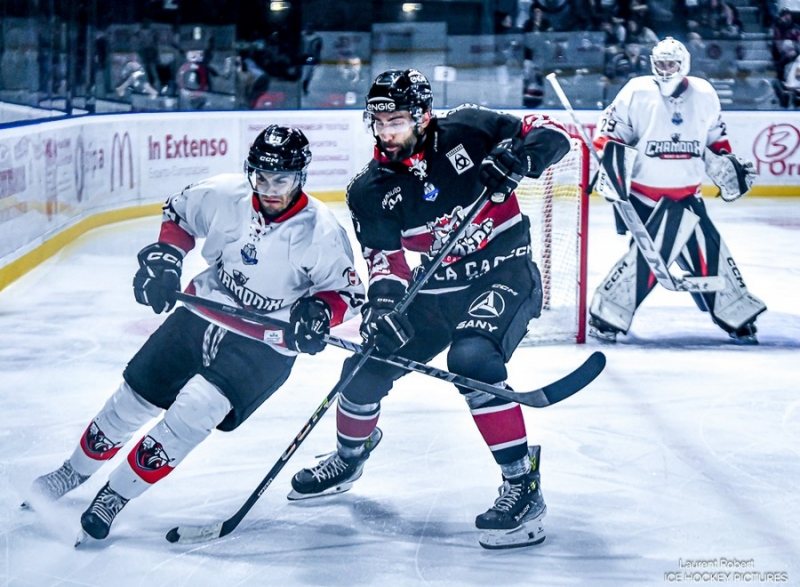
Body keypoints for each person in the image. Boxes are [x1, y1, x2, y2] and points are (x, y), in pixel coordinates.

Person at [27, 125, 366, 542]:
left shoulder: (322, 232)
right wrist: (167, 258)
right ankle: (70, 472)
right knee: (130, 402)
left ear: (301, 177)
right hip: (202, 313)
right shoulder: (225, 196)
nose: (269, 188)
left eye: (281, 179)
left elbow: (347, 294)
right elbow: (179, 213)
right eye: (261, 176)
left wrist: (317, 314)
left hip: (263, 345)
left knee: (192, 413)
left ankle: (115, 496)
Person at [287, 69, 572, 550]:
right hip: (434, 292)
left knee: (472, 362)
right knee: (360, 372)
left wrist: (520, 156)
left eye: (396, 120)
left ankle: (522, 486)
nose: (385, 132)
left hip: (504, 273)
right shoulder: (369, 189)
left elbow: (554, 134)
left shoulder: (469, 128)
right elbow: (386, 263)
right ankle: (349, 456)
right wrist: (381, 305)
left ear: (422, 115)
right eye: (376, 122)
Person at [587, 37, 766, 344]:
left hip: (688, 195)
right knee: (649, 259)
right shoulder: (636, 91)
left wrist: (725, 164)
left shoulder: (705, 94)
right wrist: (612, 164)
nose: (665, 70)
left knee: (710, 254)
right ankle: (607, 316)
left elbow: (716, 140)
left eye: (671, 64)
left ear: (684, 64)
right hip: (644, 199)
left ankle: (735, 312)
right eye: (660, 64)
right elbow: (609, 135)